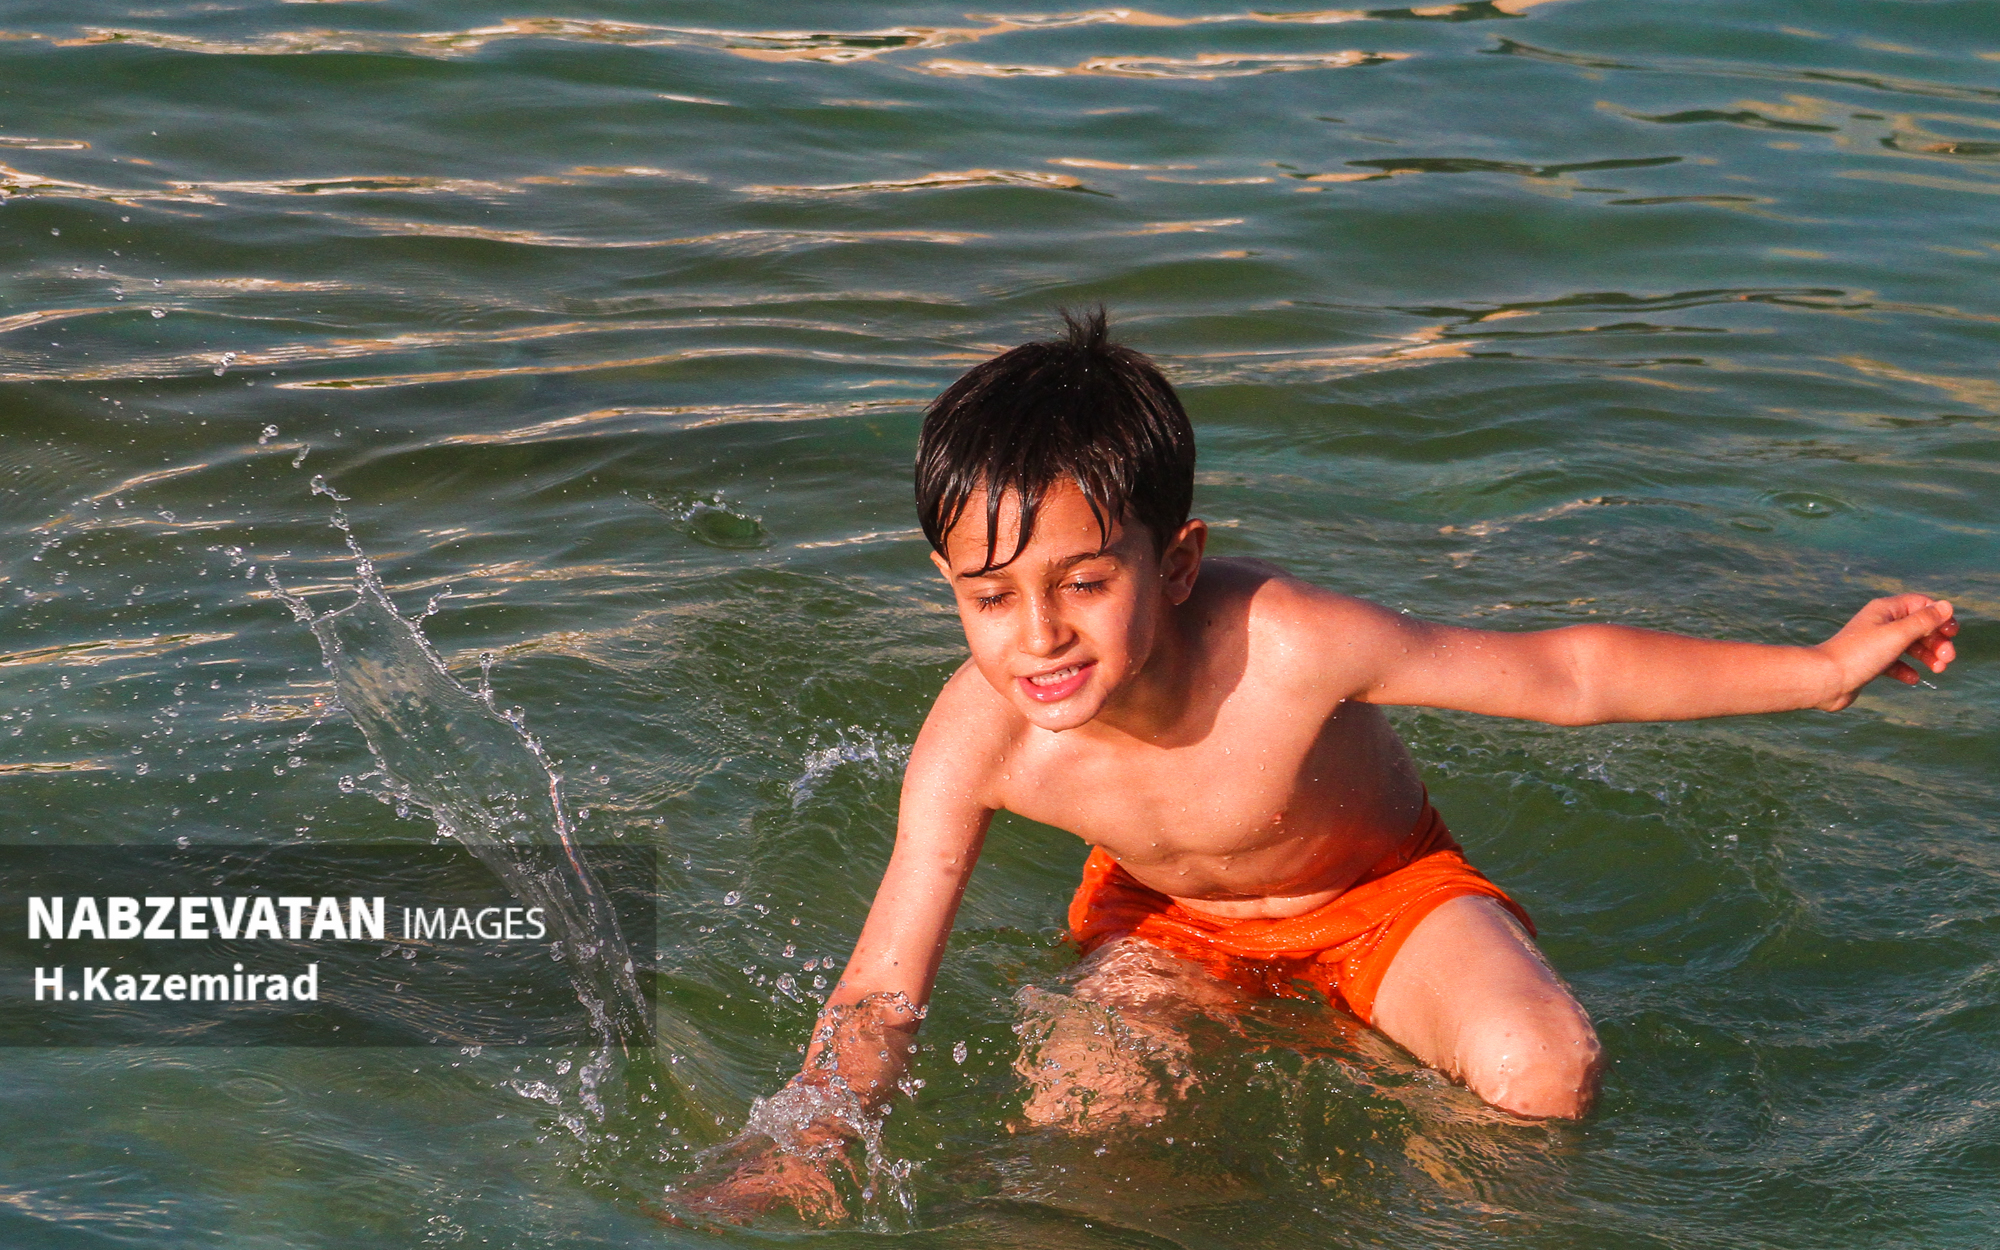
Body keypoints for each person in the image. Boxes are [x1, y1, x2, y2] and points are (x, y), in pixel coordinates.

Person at [670, 308, 1958, 1223]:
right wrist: (810, 1133)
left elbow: (1565, 678)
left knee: (1543, 1070)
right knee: (1082, 1150)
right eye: (990, 597)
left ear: (1178, 562)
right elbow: (882, 991)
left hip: (1386, 897)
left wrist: (1818, 669)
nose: (1039, 635)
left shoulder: (1289, 646)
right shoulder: (978, 738)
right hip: (1165, 926)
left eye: (1086, 581)